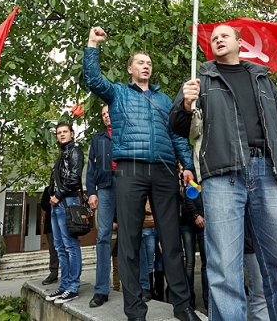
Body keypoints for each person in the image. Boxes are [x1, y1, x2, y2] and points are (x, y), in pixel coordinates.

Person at [170, 24, 277, 321]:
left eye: (224, 35)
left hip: (266, 174)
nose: (218, 39)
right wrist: (184, 103)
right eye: (214, 37)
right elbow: (178, 127)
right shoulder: (200, 81)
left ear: (239, 42)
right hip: (221, 175)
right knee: (223, 268)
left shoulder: (262, 79)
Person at [84, 27, 199, 321]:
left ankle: (183, 307)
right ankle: (135, 311)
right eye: (140, 62)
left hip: (163, 172)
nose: (146, 66)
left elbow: (177, 135)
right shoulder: (118, 92)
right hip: (130, 170)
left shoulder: (163, 100)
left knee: (171, 242)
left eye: (149, 63)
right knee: (130, 242)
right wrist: (93, 44)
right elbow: (93, 79)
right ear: (130, 68)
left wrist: (187, 165)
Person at [45, 122, 84, 305]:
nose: (61, 135)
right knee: (60, 247)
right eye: (59, 132)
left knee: (70, 245)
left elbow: (74, 178)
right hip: (56, 204)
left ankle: (73, 286)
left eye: (64, 132)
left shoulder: (75, 151)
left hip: (67, 201)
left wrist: (58, 195)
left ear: (72, 134)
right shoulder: (62, 155)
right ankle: (65, 285)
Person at [86, 105, 117, 308]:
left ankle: (143, 287)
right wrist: (91, 192)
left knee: (135, 235)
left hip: (128, 186)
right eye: (103, 114)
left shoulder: (127, 132)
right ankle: (101, 291)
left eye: (109, 113)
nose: (107, 117)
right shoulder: (97, 139)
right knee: (103, 236)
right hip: (105, 188)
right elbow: (91, 167)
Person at [180, 184, 207, 311]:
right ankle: (189, 297)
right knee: (190, 261)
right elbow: (187, 195)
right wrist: (196, 215)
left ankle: (207, 298)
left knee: (206, 261)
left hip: (203, 218)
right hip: (187, 220)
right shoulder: (189, 171)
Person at [40, 190, 59, 285]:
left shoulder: (64, 188)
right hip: (50, 225)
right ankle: (53, 274)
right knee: (53, 249)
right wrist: (53, 204)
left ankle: (68, 274)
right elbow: (43, 204)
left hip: (64, 223)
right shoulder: (48, 190)